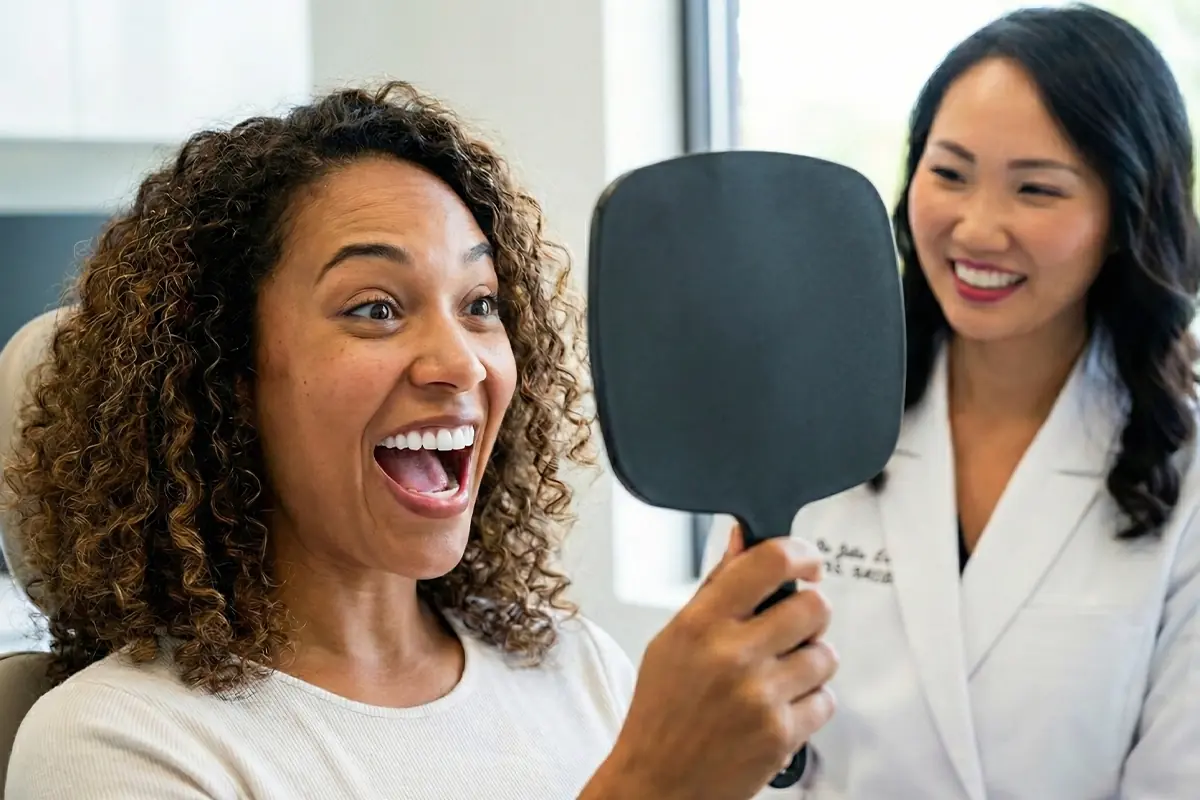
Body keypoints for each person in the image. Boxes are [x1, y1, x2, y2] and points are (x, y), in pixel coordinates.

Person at [0, 82, 838, 800]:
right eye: (376, 308)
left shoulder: (574, 665)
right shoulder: (113, 743)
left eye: (479, 305)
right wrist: (648, 784)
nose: (461, 362)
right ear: (226, 373)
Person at [703, 5, 1200, 799]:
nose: (977, 229)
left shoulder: (1188, 466)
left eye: (1036, 189)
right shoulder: (808, 421)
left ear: (1124, 213)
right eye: (950, 173)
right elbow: (736, 744)